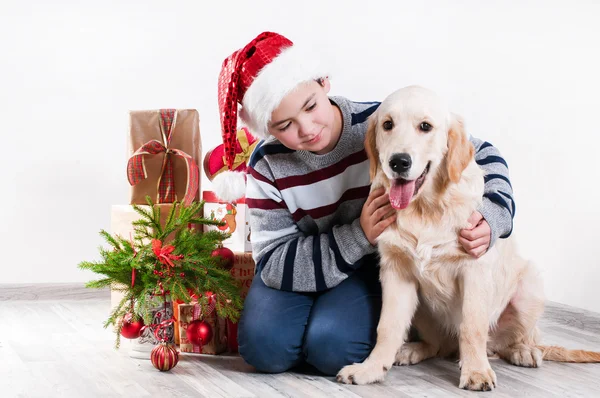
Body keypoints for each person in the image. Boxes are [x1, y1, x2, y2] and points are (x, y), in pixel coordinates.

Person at [213, 32, 515, 376]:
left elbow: (482, 152)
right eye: (285, 125)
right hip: (297, 266)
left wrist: (494, 216)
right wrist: (359, 234)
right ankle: (306, 328)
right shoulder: (266, 164)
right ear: (266, 128)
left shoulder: (382, 123)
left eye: (311, 106)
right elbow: (273, 261)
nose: (308, 128)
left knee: (331, 350)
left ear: (324, 83)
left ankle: (323, 331)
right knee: (264, 349)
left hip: (360, 270)